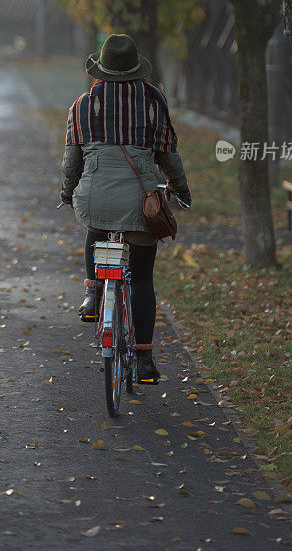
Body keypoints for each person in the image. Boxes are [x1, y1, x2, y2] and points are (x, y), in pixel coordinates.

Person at [60, 34, 191, 385]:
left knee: (97, 229)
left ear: (101, 70)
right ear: (136, 70)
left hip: (96, 199)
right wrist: (181, 189)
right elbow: (168, 155)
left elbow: (72, 160)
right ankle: (145, 359)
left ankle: (92, 295)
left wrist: (66, 191)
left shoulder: (83, 105)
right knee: (143, 278)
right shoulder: (153, 101)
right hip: (140, 203)